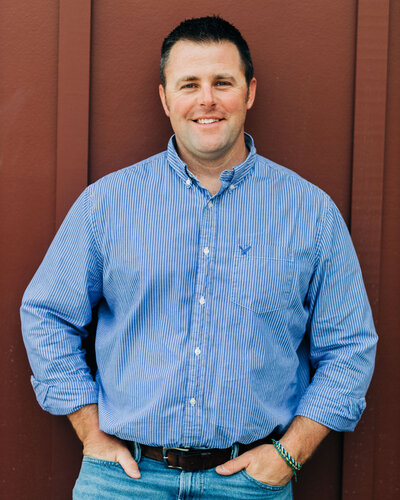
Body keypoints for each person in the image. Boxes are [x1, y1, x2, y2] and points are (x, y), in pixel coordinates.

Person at [21, 16, 377, 500]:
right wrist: (90, 430)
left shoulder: (310, 213)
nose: (206, 99)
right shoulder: (107, 205)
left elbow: (349, 347)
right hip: (124, 480)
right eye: (189, 84)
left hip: (250, 483)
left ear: (249, 92)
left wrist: (289, 454)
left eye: (222, 83)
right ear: (166, 98)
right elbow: (46, 316)